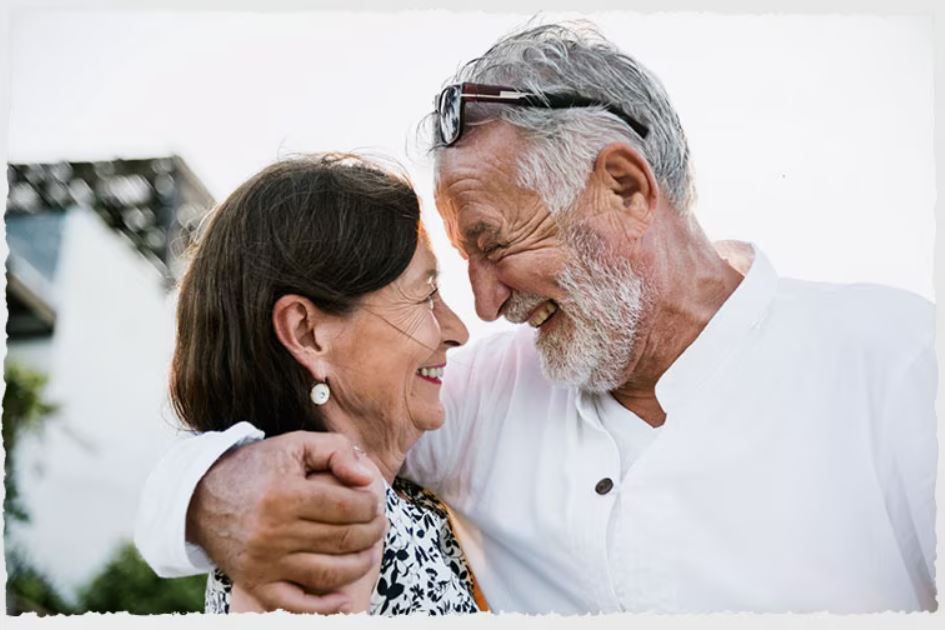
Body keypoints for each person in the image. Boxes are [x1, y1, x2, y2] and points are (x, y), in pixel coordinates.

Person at [136, 23, 937, 613]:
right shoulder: (483, 391)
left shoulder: (896, 362)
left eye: (494, 243)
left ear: (624, 187)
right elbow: (313, 419)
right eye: (456, 266)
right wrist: (213, 494)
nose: (483, 307)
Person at [160, 152, 483, 614]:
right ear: (308, 334)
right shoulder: (319, 521)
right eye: (425, 294)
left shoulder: (375, 498)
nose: (457, 330)